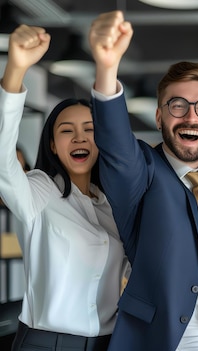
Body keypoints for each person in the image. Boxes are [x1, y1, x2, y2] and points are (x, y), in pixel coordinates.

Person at [88, 11, 198, 350]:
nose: (191, 116)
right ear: (159, 115)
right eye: (177, 106)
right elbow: (117, 147)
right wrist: (107, 69)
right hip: (163, 342)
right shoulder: (142, 171)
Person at [0, 24, 126, 351]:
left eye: (89, 129)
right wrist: (16, 69)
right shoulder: (40, 192)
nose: (80, 137)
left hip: (107, 344)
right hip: (46, 343)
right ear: (54, 146)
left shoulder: (113, 204)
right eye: (67, 130)